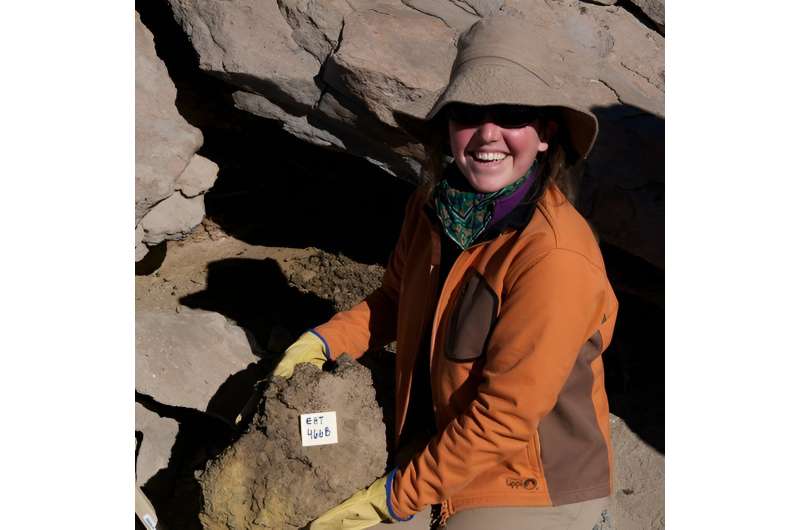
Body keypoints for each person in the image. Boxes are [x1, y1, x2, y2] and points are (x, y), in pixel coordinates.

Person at [275, 15, 618, 530]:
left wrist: (391, 498)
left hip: (526, 479)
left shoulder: (554, 257)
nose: (487, 135)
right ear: (448, 128)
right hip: (440, 438)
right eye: (468, 114)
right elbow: (392, 301)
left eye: (511, 115)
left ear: (545, 134)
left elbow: (503, 420)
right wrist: (321, 343)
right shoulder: (431, 207)